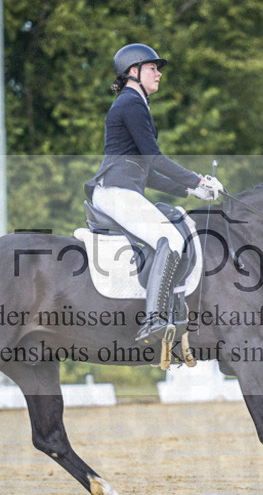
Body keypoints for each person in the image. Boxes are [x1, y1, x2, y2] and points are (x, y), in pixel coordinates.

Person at [84, 43, 224, 343]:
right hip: (115, 192)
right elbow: (155, 158)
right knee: (171, 240)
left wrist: (191, 189)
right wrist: (199, 182)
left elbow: (147, 173)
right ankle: (154, 320)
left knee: (173, 233)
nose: (158, 73)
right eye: (152, 68)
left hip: (123, 189)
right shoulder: (131, 104)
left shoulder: (134, 104)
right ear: (133, 72)